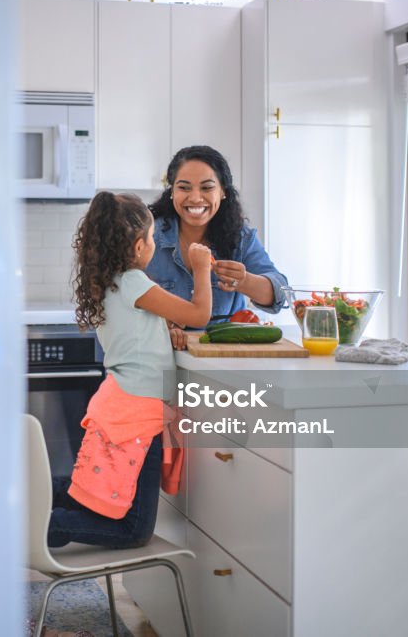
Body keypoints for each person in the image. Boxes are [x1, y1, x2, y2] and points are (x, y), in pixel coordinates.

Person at [47, 191, 211, 549]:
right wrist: (201, 267)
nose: (154, 243)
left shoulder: (109, 283)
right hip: (137, 416)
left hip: (120, 405)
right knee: (134, 530)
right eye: (152, 238)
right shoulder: (134, 282)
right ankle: (39, 529)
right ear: (138, 247)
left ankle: (34, 509)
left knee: (87, 494)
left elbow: (135, 333)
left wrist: (165, 332)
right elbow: (199, 314)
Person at [146, 145, 289, 349]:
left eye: (207, 187)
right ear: (171, 192)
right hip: (161, 361)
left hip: (225, 362)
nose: (195, 198)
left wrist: (244, 280)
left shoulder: (241, 238)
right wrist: (160, 326)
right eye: (184, 187)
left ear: (222, 191)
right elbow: (124, 297)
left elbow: (281, 292)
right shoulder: (147, 236)